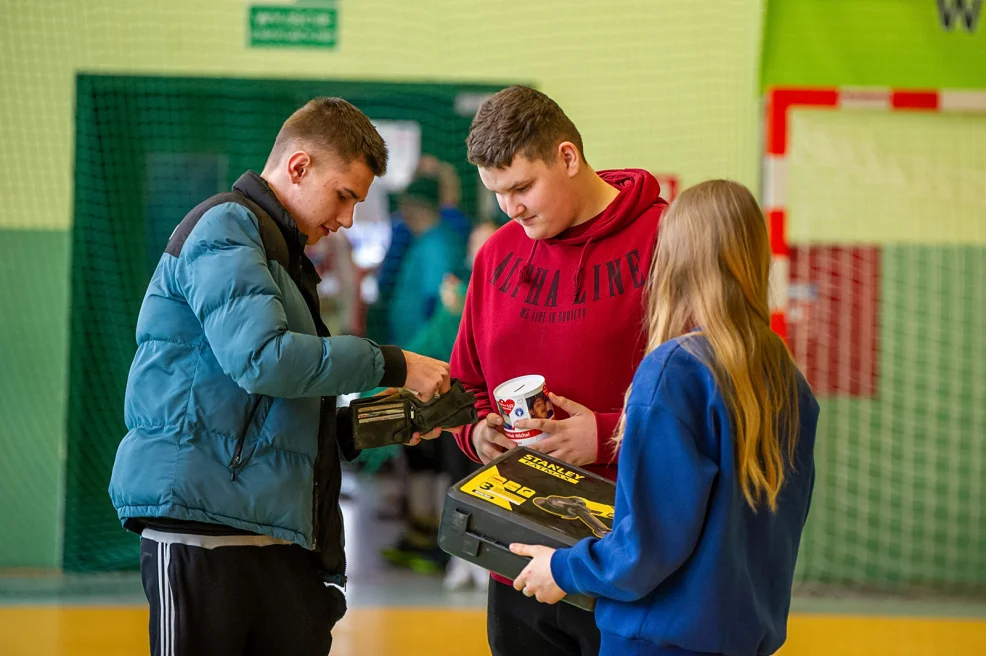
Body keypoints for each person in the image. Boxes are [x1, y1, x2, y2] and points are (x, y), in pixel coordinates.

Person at [108, 97, 452, 656]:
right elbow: (262, 360)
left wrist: (370, 425)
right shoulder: (226, 225)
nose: (346, 220)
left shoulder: (285, 254)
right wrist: (396, 364)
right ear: (298, 167)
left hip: (276, 533)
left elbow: (269, 409)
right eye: (344, 196)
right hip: (202, 527)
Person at [509, 180, 820, 656]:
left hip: (659, 643)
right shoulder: (788, 378)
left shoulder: (676, 370)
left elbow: (648, 546)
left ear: (672, 261)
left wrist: (563, 569)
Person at [449, 85, 668, 656]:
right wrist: (476, 432)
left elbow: (711, 402)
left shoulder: (667, 243)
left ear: (568, 158)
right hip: (516, 558)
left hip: (625, 558)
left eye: (522, 187)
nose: (511, 208)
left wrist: (604, 433)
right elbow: (463, 386)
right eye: (497, 194)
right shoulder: (496, 254)